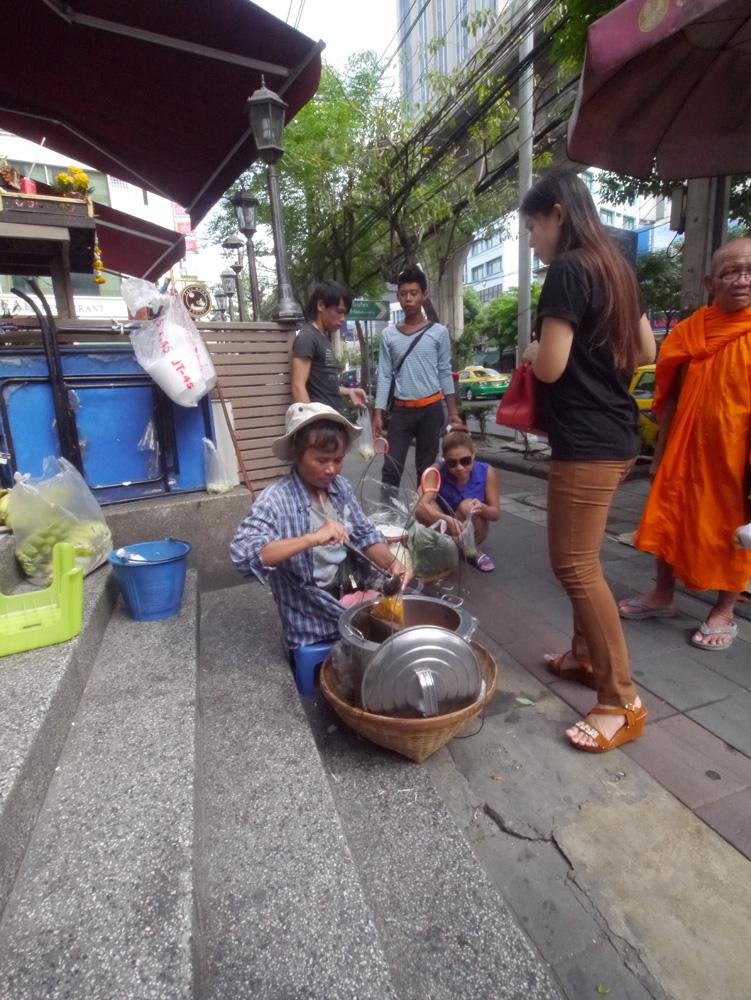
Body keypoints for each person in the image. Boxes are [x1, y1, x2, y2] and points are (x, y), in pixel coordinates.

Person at [520, 168, 656, 753]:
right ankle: (583, 656)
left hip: (587, 441)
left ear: (557, 214)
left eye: (532, 228)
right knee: (583, 559)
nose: (532, 241)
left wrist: (532, 351)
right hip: (618, 435)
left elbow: (550, 366)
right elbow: (647, 350)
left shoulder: (569, 269)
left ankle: (621, 702)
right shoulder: (615, 268)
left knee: (574, 565)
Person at [618, 239, 751, 650]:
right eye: (731, 272)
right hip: (684, 447)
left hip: (737, 456)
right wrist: (659, 452)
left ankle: (723, 610)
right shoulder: (691, 331)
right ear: (710, 282)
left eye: (750, 271)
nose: (742, 280)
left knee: (731, 531)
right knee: (669, 516)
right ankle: (662, 594)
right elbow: (670, 395)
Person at [230, 402, 407, 651]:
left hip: (349, 590)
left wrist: (392, 564)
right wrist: (312, 538)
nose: (331, 469)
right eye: (322, 460)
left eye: (338, 460)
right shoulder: (276, 499)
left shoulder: (339, 487)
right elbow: (243, 555)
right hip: (312, 619)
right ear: (297, 453)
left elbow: (364, 533)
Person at [372, 267, 462, 489]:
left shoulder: (439, 332)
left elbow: (445, 371)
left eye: (413, 293)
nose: (408, 299)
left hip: (431, 410)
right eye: (403, 294)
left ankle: (424, 510)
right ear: (398, 296)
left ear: (424, 295)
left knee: (427, 471)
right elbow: (384, 375)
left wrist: (453, 413)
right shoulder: (388, 335)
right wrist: (378, 413)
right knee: (391, 468)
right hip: (401, 412)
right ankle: (388, 510)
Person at [415, 431, 500, 572]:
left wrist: (482, 508)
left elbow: (495, 514)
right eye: (452, 463)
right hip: (443, 526)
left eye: (465, 461)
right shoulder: (437, 471)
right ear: (444, 460)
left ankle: (470, 549)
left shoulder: (486, 471)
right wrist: (446, 520)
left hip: (473, 528)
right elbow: (419, 507)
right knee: (425, 505)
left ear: (473, 455)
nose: (460, 467)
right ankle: (452, 546)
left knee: (467, 505)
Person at [291, 280, 368, 412]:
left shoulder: (322, 337)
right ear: (321, 305)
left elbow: (324, 386)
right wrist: (311, 421)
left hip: (332, 417)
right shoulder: (307, 337)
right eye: (339, 311)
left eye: (344, 313)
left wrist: (349, 391)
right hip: (320, 420)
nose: (343, 318)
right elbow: (297, 386)